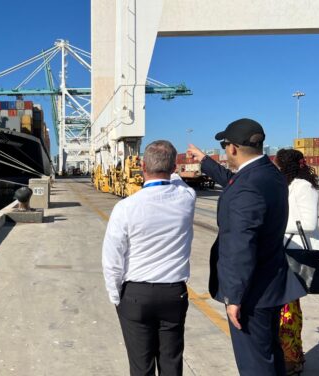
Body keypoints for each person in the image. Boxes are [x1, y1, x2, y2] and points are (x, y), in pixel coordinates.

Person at [187, 118, 305, 376]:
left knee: (255, 365)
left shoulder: (248, 188)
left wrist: (234, 297)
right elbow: (235, 181)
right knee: (270, 354)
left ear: (232, 149)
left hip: (252, 294)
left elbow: (240, 246)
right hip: (272, 284)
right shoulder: (269, 173)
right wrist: (205, 161)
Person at [102, 140, 196, 376]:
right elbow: (177, 181)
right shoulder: (187, 199)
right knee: (172, 363)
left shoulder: (125, 207)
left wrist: (116, 297)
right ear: (174, 168)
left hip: (136, 296)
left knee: (140, 367)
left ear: (142, 166)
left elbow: (112, 259)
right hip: (174, 293)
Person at [275, 148, 319, 375]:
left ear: (286, 165)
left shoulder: (304, 187)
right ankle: (291, 355)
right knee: (286, 306)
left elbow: (308, 223)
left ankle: (292, 359)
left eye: (278, 164)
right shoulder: (287, 185)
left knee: (288, 307)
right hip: (285, 251)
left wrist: (273, 226)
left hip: (298, 254)